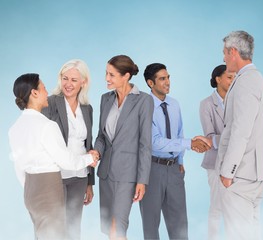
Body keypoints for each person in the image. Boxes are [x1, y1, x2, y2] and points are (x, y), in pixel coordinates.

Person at [8, 73, 98, 240]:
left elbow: (18, 167)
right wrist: (89, 158)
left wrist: (31, 188)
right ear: (34, 93)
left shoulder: (14, 128)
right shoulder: (47, 126)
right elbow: (66, 161)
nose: (46, 91)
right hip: (49, 187)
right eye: (43, 88)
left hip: (30, 189)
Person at [140, 63, 211, 240]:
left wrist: (180, 161)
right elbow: (155, 143)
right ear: (150, 83)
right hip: (151, 169)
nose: (168, 82)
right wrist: (190, 143)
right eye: (162, 79)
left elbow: (179, 132)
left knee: (179, 224)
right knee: (151, 224)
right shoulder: (144, 107)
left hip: (174, 171)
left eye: (168, 77)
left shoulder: (174, 104)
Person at [215, 30, 263, 240]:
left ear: (233, 51)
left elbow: (241, 131)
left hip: (241, 175)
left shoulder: (246, 82)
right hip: (254, 175)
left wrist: (227, 172)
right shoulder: (257, 80)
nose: (223, 57)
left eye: (224, 52)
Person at [92, 55, 154, 240]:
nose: (106, 78)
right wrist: (97, 151)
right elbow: (102, 136)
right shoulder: (105, 99)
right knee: (108, 227)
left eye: (111, 74)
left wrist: (142, 180)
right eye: (106, 73)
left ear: (126, 76)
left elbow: (145, 143)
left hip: (127, 175)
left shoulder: (143, 101)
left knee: (117, 227)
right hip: (105, 174)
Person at [42, 59, 95, 240]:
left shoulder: (87, 109)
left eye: (74, 80)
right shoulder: (49, 103)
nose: (68, 84)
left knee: (73, 227)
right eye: (65, 78)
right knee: (54, 228)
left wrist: (89, 182)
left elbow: (89, 145)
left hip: (79, 176)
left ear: (83, 82)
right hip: (56, 175)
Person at [199, 64, 235, 240]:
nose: (232, 80)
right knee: (217, 206)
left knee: (234, 207)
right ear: (218, 79)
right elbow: (210, 138)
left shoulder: (237, 101)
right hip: (215, 163)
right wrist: (234, 138)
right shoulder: (206, 104)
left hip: (236, 162)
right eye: (229, 77)